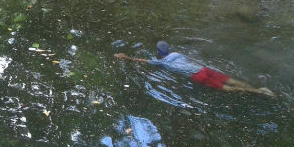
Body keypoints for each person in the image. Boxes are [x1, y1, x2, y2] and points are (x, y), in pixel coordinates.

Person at [114, 41, 275, 97]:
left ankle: (258, 92)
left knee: (226, 88)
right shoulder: (176, 53)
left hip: (197, 75)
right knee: (230, 80)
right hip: (203, 68)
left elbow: (139, 60)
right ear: (168, 50)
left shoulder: (161, 63)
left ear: (158, 53)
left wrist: (125, 57)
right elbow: (191, 59)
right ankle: (256, 88)